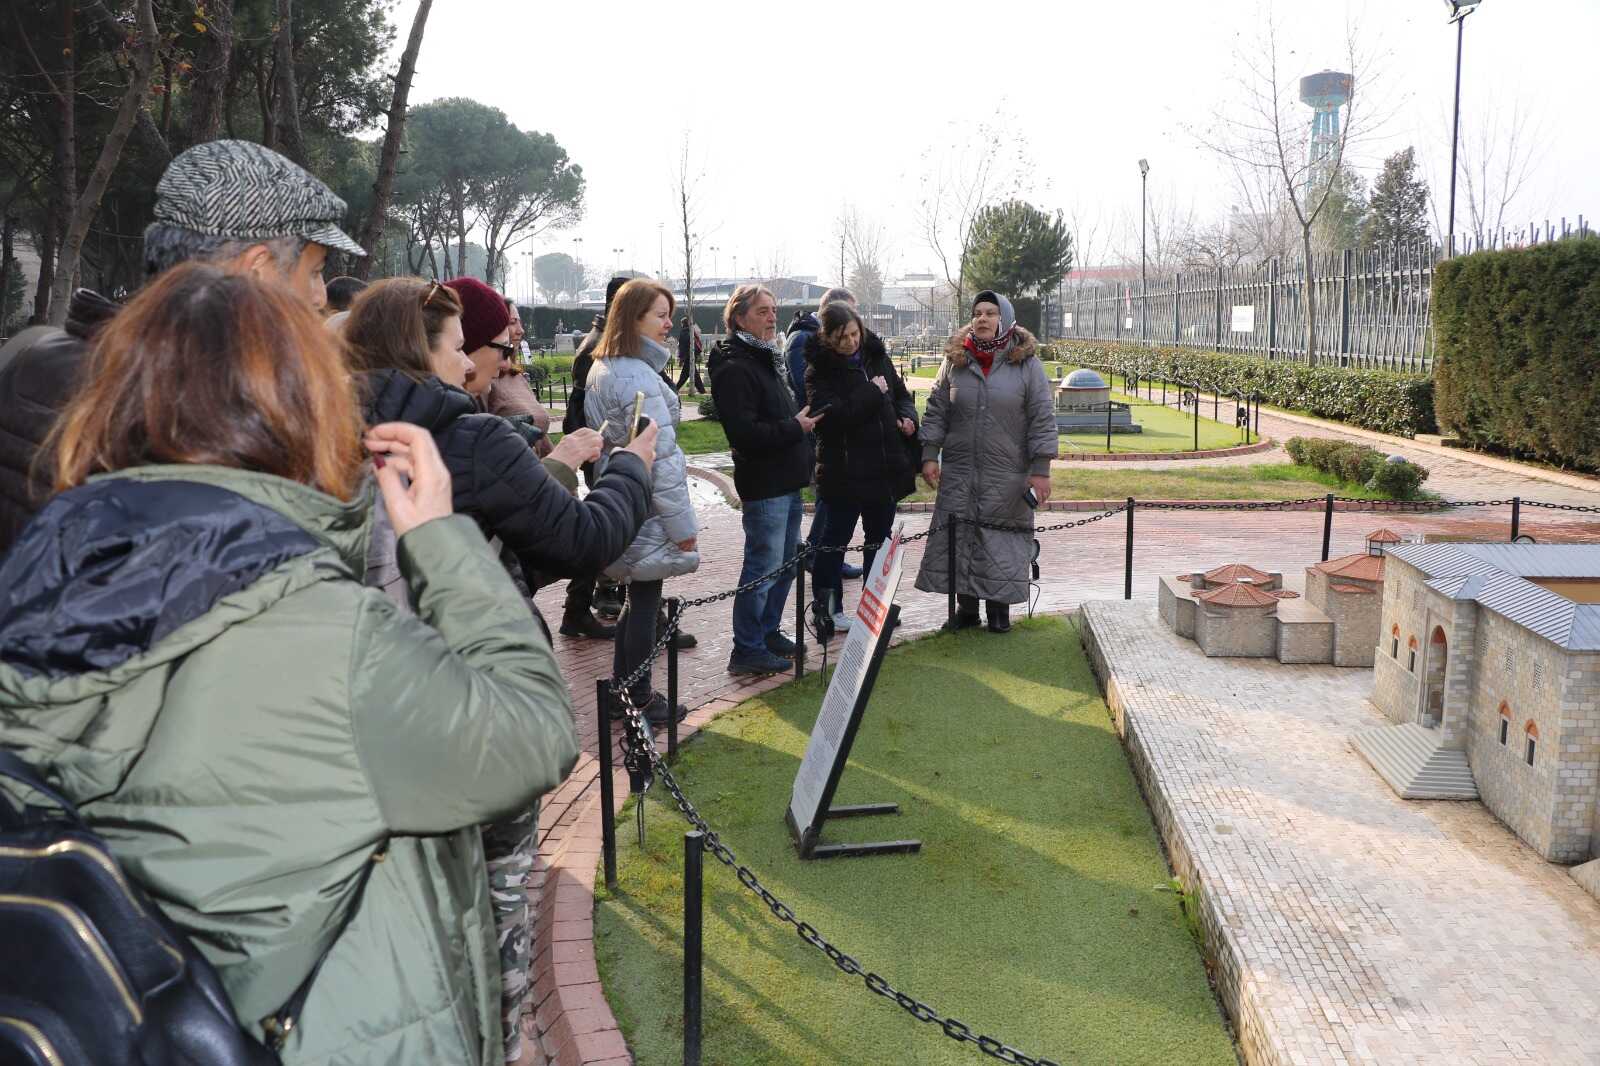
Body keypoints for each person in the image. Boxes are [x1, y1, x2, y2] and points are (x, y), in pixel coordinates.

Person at [0, 263, 581, 1066]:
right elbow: (533, 734)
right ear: (300, 404)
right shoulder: (322, 629)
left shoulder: (32, 584)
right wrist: (440, 541)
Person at [343, 277, 656, 1061]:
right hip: (472, 715)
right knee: (495, 930)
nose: (477, 368)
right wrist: (631, 471)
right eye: (466, 350)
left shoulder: (322, 431)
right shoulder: (467, 442)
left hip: (369, 729)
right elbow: (583, 540)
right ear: (427, 351)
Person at [0, 138, 362, 556]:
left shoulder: (36, 364)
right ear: (257, 270)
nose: (319, 297)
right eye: (314, 272)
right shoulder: (205, 430)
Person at [584, 279, 699, 725]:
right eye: (660, 314)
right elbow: (662, 460)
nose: (669, 323)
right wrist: (683, 529)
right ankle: (639, 696)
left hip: (623, 494)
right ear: (633, 318)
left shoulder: (609, 366)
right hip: (644, 503)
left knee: (639, 598)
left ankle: (625, 690)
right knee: (645, 600)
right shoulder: (633, 374)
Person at [915, 291, 1058, 634]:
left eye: (990, 313)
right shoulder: (956, 361)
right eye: (978, 312)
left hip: (1007, 472)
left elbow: (1042, 416)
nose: (982, 318)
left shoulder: (1026, 365)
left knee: (1000, 542)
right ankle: (966, 610)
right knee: (961, 535)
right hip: (962, 470)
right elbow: (937, 409)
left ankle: (999, 612)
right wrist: (929, 453)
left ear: (1004, 319)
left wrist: (1040, 470)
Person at [708, 284, 822, 675]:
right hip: (765, 483)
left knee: (786, 563)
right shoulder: (736, 365)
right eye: (762, 311)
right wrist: (795, 427)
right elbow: (745, 433)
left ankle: (768, 631)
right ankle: (747, 647)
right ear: (739, 317)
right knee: (764, 565)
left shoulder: (765, 356)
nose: (773, 317)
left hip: (786, 479)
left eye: (774, 310)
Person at [803, 301, 918, 637]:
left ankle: (875, 608)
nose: (851, 342)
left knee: (878, 542)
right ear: (827, 339)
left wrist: (907, 418)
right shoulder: (818, 371)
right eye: (842, 338)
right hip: (844, 472)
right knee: (833, 543)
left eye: (854, 333)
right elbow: (834, 418)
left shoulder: (875, 356)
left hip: (883, 468)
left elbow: (899, 394)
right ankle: (827, 610)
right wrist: (872, 392)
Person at [785, 287, 866, 590]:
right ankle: (818, 553)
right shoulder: (803, 339)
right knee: (828, 498)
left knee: (829, 501)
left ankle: (824, 552)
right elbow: (805, 385)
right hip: (814, 428)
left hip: (831, 430)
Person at [487, 296, 554, 459]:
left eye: (520, 322)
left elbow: (540, 436)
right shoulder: (484, 383)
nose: (520, 330)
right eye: (512, 322)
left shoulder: (517, 376)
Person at [674, 313, 706, 392]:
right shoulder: (691, 332)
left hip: (688, 355)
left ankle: (675, 389)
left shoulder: (684, 332)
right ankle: (701, 390)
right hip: (692, 354)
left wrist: (681, 359)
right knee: (692, 372)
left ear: (683, 324)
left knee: (685, 374)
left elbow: (682, 347)